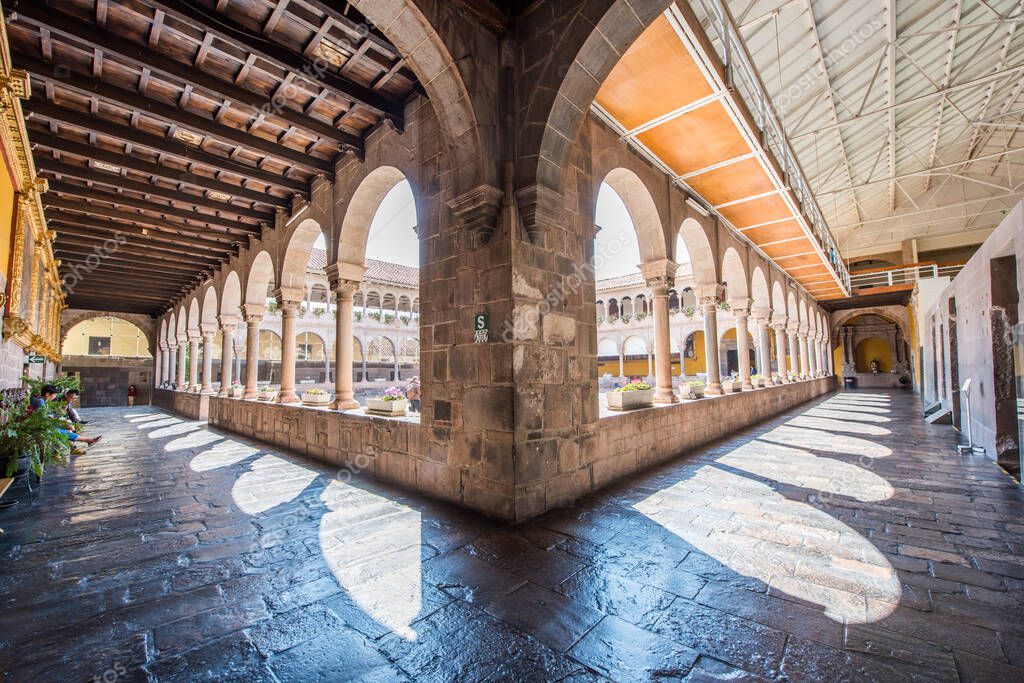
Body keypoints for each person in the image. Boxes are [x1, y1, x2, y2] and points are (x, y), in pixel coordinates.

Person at [30, 385, 102, 448]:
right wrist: (56, 420)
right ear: (47, 394)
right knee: (61, 430)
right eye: (54, 394)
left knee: (65, 429)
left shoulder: (42, 401)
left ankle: (86, 441)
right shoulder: (40, 401)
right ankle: (86, 441)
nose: (55, 396)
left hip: (44, 425)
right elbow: (43, 418)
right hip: (40, 427)